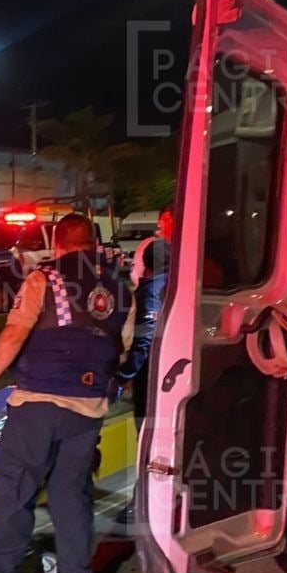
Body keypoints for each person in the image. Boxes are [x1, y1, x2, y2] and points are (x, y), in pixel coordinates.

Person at [0, 214, 134, 573]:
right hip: (87, 410)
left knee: (15, 491)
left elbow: (14, 333)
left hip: (38, 404)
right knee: (71, 495)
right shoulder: (121, 290)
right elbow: (123, 350)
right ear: (93, 244)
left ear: (57, 244)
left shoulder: (44, 279)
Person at [114, 204, 172, 524]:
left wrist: (124, 374)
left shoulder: (151, 292)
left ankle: (144, 504)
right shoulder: (174, 287)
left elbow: (144, 340)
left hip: (151, 375)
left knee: (147, 436)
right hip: (170, 372)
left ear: (146, 266)